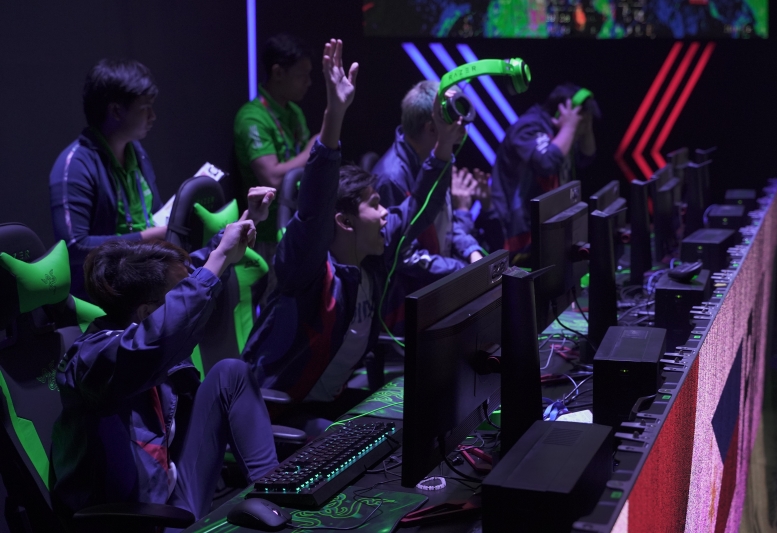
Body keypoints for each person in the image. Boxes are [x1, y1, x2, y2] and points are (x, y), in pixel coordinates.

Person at [241, 39, 465, 435]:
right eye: (376, 205)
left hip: (327, 401)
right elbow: (314, 207)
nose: (386, 213)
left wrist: (444, 144)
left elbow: (417, 209)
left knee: (420, 419)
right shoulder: (306, 271)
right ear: (344, 222)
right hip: (276, 410)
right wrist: (335, 114)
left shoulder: (373, 257)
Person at [50, 188, 280, 524]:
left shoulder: (146, 309)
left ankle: (279, 496)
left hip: (174, 497)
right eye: (178, 297)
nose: (188, 297)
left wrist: (245, 224)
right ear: (146, 313)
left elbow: (191, 274)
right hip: (138, 520)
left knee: (231, 373)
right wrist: (217, 261)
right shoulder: (95, 358)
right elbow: (162, 332)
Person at [372, 80, 491, 334]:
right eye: (456, 122)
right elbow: (403, 256)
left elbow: (445, 222)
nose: (464, 129)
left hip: (434, 291)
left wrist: (471, 251)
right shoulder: (391, 178)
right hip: (406, 309)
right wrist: (462, 270)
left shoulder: (436, 159)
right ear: (432, 128)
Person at [50, 59, 168, 299]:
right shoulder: (75, 164)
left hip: (144, 284)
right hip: (102, 299)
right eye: (145, 108)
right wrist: (147, 238)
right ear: (115, 111)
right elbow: (74, 247)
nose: (153, 116)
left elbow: (154, 216)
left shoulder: (136, 152)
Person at [233, 33, 316, 272]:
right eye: (302, 75)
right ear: (278, 73)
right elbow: (272, 179)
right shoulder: (252, 118)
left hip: (297, 227)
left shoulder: (295, 112)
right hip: (265, 238)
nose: (309, 82)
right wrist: (313, 149)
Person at [491, 83, 599, 264]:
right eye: (581, 118)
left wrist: (585, 127)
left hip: (545, 227)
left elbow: (587, 157)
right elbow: (546, 162)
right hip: (518, 234)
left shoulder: (563, 131)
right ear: (562, 111)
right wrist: (569, 127)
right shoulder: (528, 127)